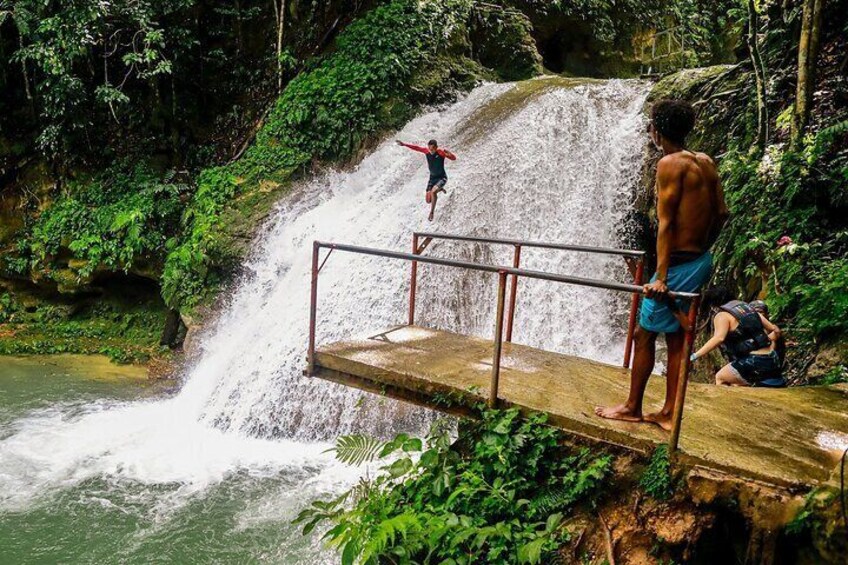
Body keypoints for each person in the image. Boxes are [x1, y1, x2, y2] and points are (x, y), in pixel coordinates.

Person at [596, 99, 729, 431]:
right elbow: (722, 213)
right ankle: (670, 412)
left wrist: (663, 276)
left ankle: (632, 407)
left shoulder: (669, 164)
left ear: (658, 130)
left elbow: (666, 223)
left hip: (677, 265)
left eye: (651, 126)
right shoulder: (705, 162)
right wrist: (702, 248)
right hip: (699, 258)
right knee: (673, 339)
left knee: (643, 334)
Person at [690, 290, 784, 386]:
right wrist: (767, 340)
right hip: (772, 358)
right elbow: (775, 330)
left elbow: (719, 338)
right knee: (736, 382)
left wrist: (695, 356)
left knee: (720, 377)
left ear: (712, 305)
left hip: (754, 361)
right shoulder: (748, 308)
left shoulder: (722, 315)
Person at [397, 139, 456, 221]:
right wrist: (404, 144)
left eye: (432, 149)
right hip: (432, 178)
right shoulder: (427, 152)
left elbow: (454, 158)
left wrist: (450, 154)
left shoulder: (441, 152)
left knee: (433, 192)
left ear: (436, 147)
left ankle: (432, 212)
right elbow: (416, 148)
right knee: (428, 200)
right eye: (429, 149)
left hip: (442, 177)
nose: (430, 151)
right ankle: (439, 188)